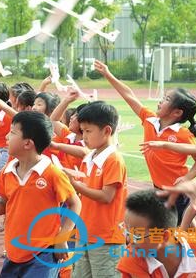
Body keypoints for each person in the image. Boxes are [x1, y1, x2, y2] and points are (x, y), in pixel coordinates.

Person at [94, 59, 196, 223]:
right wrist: (108, 74)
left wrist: (187, 178)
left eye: (167, 99)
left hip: (179, 192)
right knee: (174, 229)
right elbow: (129, 95)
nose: (161, 100)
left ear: (176, 113)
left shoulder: (182, 135)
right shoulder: (149, 120)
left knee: (179, 230)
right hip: (158, 188)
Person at [0, 111, 81, 278]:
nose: (6, 136)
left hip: (43, 252)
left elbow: (75, 203)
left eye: (12, 132)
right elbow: (4, 204)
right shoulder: (7, 171)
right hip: (14, 251)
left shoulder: (52, 174)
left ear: (27, 143)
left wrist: (62, 237)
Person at [70, 101, 128, 277]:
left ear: (107, 130)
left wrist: (75, 184)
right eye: (82, 131)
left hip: (106, 238)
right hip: (85, 233)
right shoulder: (90, 157)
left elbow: (106, 196)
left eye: (88, 131)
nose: (84, 137)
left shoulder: (113, 160)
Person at [116, 188, 196, 277]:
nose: (128, 240)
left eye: (137, 235)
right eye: (126, 231)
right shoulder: (133, 259)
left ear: (164, 236)